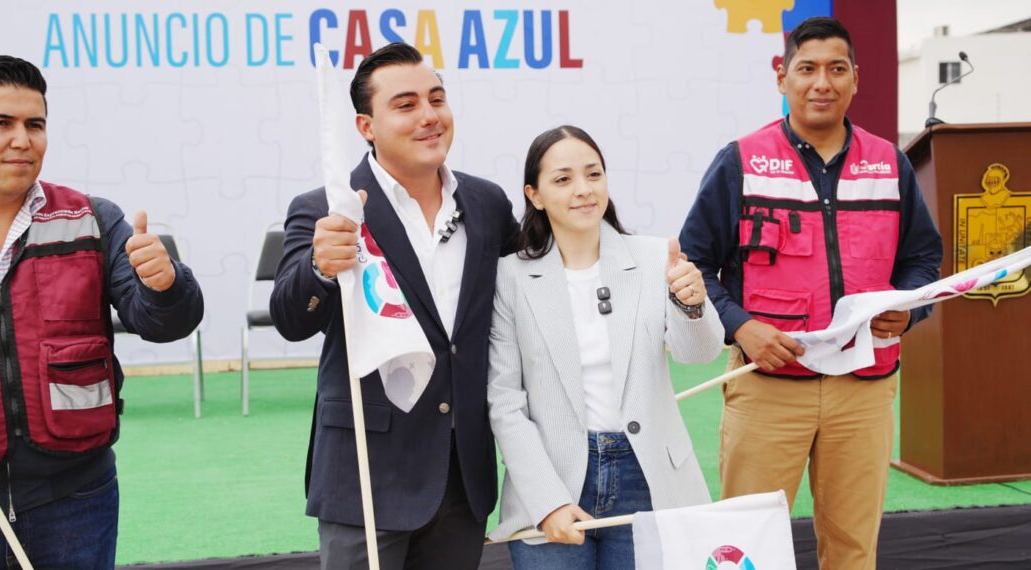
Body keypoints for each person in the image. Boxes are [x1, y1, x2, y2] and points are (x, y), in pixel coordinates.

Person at [0, 55, 204, 568]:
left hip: (77, 501)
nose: (23, 139)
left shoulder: (93, 220)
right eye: (1, 123)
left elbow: (163, 323)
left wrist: (166, 285)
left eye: (35, 124)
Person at [679, 17, 943, 570]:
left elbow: (923, 261)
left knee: (852, 551)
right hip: (768, 387)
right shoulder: (741, 161)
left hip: (864, 393)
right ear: (782, 78)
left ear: (854, 80)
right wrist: (741, 326)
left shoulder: (889, 164)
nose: (821, 82)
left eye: (836, 69)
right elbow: (693, 263)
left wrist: (909, 308)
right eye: (807, 69)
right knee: (742, 549)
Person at [268, 43, 517, 569]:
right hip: (365, 471)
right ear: (366, 125)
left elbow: (529, 297)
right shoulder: (326, 208)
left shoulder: (488, 203)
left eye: (437, 99)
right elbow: (291, 318)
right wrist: (320, 268)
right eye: (405, 105)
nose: (429, 117)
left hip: (462, 471)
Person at [486, 126, 724, 569]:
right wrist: (547, 501)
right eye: (563, 179)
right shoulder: (509, 278)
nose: (583, 190)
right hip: (553, 480)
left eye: (593, 174)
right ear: (534, 195)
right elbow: (504, 402)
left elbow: (700, 353)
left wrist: (691, 305)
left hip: (649, 476)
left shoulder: (655, 257)